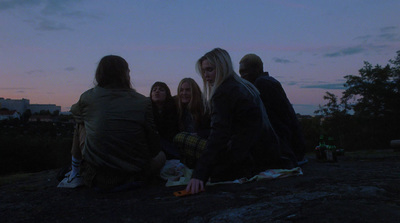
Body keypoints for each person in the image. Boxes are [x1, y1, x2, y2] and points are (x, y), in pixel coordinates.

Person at [186, 48, 290, 194]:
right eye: (203, 71)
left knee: (182, 139)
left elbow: (219, 136)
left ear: (222, 68)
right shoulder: (243, 86)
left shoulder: (223, 93)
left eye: (209, 70)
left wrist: (200, 174)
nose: (205, 76)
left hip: (247, 159)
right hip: (265, 153)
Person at [58, 55, 165, 190]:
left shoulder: (88, 98)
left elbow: (75, 112)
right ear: (125, 75)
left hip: (98, 177)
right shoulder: (143, 102)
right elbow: (154, 147)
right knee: (162, 156)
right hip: (135, 173)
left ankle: (75, 172)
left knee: (81, 122)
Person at [239, 54, 307, 164]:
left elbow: (279, 122)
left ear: (256, 69)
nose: (242, 76)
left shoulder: (262, 83)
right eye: (240, 73)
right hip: (292, 148)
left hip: (288, 150)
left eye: (244, 71)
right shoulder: (269, 82)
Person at [173, 78, 210, 168]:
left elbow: (215, 129)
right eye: (181, 90)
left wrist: (198, 134)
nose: (184, 93)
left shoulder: (205, 108)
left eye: (188, 90)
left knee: (179, 138)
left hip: (203, 142)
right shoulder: (179, 109)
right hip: (187, 148)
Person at [150, 82, 180, 159]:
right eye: (154, 90)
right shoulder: (147, 112)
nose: (157, 91)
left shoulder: (175, 110)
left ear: (167, 94)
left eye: (161, 90)